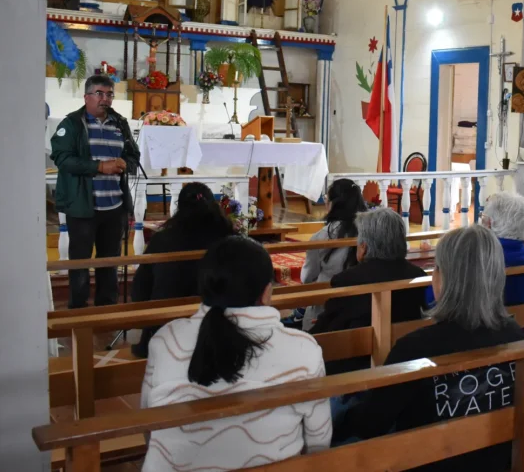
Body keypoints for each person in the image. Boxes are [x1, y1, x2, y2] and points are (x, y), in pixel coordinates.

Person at [141, 236, 331, 472]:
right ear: (267, 292)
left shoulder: (165, 339)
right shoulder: (304, 348)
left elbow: (148, 427)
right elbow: (319, 440)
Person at [344, 225, 523, 472]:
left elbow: (370, 424)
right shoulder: (517, 334)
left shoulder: (414, 348)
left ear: (444, 278)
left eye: (436, 268)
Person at [51, 75, 141, 308]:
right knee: (80, 262)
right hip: (83, 206)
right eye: (99, 93)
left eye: (109, 94)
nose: (105, 99)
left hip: (115, 206)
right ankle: (78, 309)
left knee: (108, 261)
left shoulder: (119, 123)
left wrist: (124, 163)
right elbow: (63, 159)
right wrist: (99, 166)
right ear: (87, 97)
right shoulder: (72, 124)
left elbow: (134, 156)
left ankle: (106, 307)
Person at [130, 183, 237, 357]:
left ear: (179, 208)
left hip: (166, 331)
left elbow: (140, 292)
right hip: (217, 330)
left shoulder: (162, 240)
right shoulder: (230, 239)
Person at [310, 208, 428, 351]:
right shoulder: (419, 275)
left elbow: (327, 330)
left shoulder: (347, 280)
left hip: (359, 359)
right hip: (408, 353)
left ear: (364, 248)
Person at [426, 191, 524, 308]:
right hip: (521, 319)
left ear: (489, 223)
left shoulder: (476, 255)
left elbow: (436, 297)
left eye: (482, 217)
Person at [292, 178, 368, 329]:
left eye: (326, 199)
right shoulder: (369, 231)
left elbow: (307, 277)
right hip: (364, 309)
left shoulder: (321, 236)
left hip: (326, 308)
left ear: (333, 203)